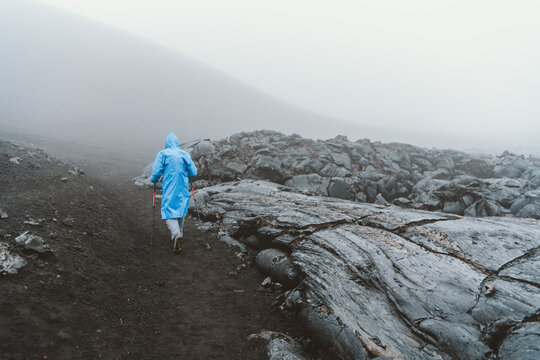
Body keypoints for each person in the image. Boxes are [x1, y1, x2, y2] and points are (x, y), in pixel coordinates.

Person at [151, 132, 197, 252]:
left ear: (166, 144)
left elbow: (157, 171)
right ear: (177, 143)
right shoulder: (184, 154)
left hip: (170, 186)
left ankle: (176, 234)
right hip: (182, 186)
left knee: (168, 210)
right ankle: (179, 234)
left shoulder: (163, 154)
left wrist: (154, 179)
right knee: (181, 209)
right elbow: (193, 172)